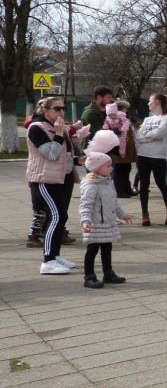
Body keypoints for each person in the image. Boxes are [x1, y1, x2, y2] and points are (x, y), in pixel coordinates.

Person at [28, 97, 84, 274]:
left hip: (64, 177)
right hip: (46, 179)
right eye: (57, 108)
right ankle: (48, 261)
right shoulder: (37, 128)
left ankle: (55, 254)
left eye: (63, 108)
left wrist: (78, 160)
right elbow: (51, 154)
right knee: (56, 216)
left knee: (62, 216)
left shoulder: (59, 127)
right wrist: (59, 134)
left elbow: (63, 155)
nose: (61, 112)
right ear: (45, 110)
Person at [78, 151, 132, 288]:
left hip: (107, 224)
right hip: (95, 225)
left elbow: (114, 202)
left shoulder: (108, 183)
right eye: (108, 166)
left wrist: (122, 214)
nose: (111, 168)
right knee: (92, 250)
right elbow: (86, 205)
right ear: (97, 168)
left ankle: (108, 273)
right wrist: (85, 221)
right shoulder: (91, 186)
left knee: (107, 249)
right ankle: (89, 276)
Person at [133, 93, 167, 226]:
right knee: (144, 185)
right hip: (143, 155)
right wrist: (147, 136)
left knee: (161, 183)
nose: (148, 103)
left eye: (150, 101)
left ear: (157, 102)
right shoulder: (147, 119)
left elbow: (159, 134)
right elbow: (138, 136)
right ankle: (145, 214)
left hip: (158, 156)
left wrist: (145, 136)